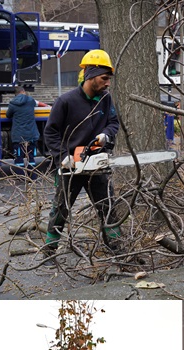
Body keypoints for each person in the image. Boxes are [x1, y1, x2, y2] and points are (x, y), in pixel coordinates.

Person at [41, 49, 122, 257]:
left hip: (96, 165)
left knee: (107, 206)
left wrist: (105, 135)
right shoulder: (66, 101)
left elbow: (113, 122)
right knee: (60, 209)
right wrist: (62, 157)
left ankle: (116, 248)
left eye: (108, 79)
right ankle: (49, 251)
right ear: (91, 75)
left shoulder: (105, 99)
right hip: (70, 167)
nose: (107, 83)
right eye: (104, 78)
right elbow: (50, 132)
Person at [6, 86, 40, 167]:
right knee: (31, 158)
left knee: (19, 159)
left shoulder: (12, 103)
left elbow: (8, 115)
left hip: (18, 136)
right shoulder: (31, 100)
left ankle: (20, 178)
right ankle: (32, 178)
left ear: (16, 94)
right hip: (31, 135)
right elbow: (37, 104)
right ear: (23, 92)